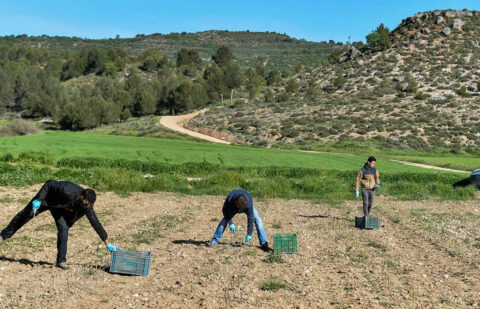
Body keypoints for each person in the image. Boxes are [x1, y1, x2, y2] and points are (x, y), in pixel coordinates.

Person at [0, 180, 118, 269]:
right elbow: (49, 184)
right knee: (24, 215)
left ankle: (61, 261)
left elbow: (95, 222)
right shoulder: (67, 189)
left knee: (64, 229)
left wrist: (106, 241)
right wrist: (39, 199)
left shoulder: (87, 207)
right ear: (81, 197)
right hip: (47, 200)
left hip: (60, 209)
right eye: (85, 204)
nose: (87, 207)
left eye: (89, 205)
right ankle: (3, 236)